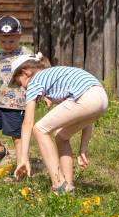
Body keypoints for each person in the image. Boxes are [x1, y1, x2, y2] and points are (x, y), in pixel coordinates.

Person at [11, 54, 108, 194]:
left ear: (25, 72)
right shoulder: (55, 77)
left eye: (20, 83)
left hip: (87, 97)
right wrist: (83, 148)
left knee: (40, 129)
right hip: (101, 98)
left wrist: (23, 158)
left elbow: (28, 123)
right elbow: (88, 116)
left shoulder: (34, 80)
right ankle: (67, 188)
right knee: (61, 136)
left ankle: (58, 184)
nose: (22, 88)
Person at [0, 16, 32, 169]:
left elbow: (36, 76)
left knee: (17, 138)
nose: (7, 45)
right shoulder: (0, 54)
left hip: (17, 105)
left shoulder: (26, 55)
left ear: (19, 36)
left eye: (11, 41)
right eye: (3, 41)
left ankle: (20, 166)